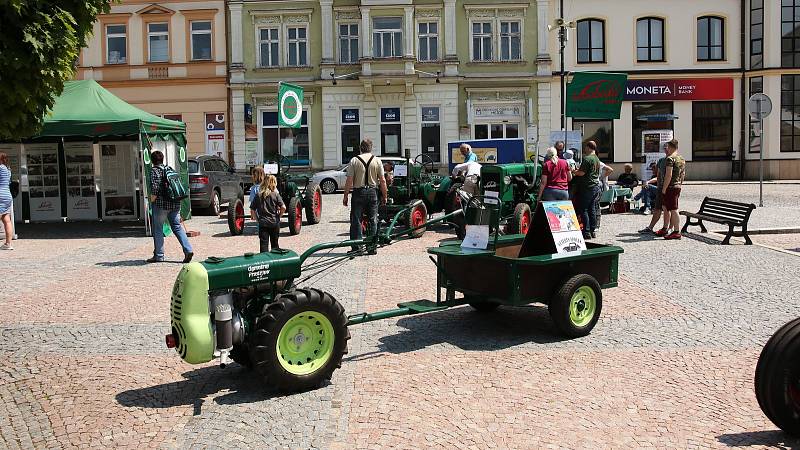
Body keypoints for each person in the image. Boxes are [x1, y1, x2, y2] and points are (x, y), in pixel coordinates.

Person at [147, 150, 193, 263]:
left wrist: (151, 201)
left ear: (152, 161)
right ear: (162, 159)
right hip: (176, 203)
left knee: (158, 228)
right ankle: (188, 250)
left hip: (162, 205)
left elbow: (155, 188)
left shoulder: (154, 171)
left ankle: (159, 255)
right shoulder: (169, 169)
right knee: (177, 226)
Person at [343, 138, 387, 252]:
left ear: (360, 148)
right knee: (373, 220)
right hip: (373, 192)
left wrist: (345, 195)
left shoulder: (354, 160)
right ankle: (372, 247)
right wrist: (385, 195)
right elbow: (382, 180)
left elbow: (349, 180)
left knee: (356, 220)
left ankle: (357, 247)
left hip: (358, 193)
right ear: (371, 148)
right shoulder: (377, 160)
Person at [657, 139, 686, 240]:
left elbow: (668, 175)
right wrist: (680, 184)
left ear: (671, 147)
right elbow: (683, 174)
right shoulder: (681, 159)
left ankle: (676, 231)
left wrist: (664, 188)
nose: (666, 149)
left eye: (667, 147)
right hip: (677, 186)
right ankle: (666, 228)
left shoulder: (670, 159)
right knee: (666, 207)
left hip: (670, 187)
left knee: (673, 209)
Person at [572, 140, 602, 240]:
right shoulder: (597, 159)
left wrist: (573, 171)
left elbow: (582, 173)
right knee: (591, 208)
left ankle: (586, 231)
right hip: (595, 186)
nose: (584, 149)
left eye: (585, 147)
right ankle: (593, 230)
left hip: (587, 187)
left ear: (589, 147)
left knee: (583, 209)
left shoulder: (587, 158)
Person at [250, 174, 285, 252]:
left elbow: (252, 210)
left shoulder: (258, 195)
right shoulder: (276, 195)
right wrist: (279, 216)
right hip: (274, 222)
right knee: (275, 245)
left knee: (263, 246)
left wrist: (257, 220)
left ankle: (265, 262)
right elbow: (283, 207)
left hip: (263, 223)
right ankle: (275, 262)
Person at [638, 154, 668, 234]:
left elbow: (657, 179)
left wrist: (648, 183)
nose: (653, 170)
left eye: (654, 168)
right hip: (657, 192)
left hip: (661, 190)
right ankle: (651, 226)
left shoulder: (663, 172)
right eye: (652, 169)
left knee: (648, 186)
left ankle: (637, 198)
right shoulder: (654, 175)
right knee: (647, 188)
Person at [0, 152, 13, 250]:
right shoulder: (8, 169)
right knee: (7, 220)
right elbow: (8, 182)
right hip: (7, 195)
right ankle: (8, 244)